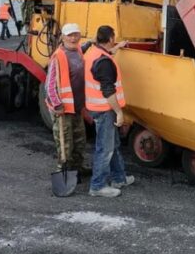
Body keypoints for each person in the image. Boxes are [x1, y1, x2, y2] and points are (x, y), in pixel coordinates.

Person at [85, 25, 134, 198]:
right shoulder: (104, 62)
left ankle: (119, 178)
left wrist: (118, 47)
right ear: (111, 38)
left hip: (99, 108)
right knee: (105, 149)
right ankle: (97, 186)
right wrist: (119, 112)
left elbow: (106, 53)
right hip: (105, 110)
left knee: (113, 145)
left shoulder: (94, 52)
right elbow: (108, 91)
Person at [45, 23, 92, 179]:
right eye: (69, 35)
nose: (73, 38)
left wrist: (90, 43)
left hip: (76, 107)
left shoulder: (77, 50)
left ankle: (78, 168)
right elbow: (49, 85)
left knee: (80, 140)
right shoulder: (58, 56)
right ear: (63, 37)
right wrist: (57, 105)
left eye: (76, 35)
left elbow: (82, 49)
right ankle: (64, 171)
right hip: (63, 109)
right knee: (65, 143)